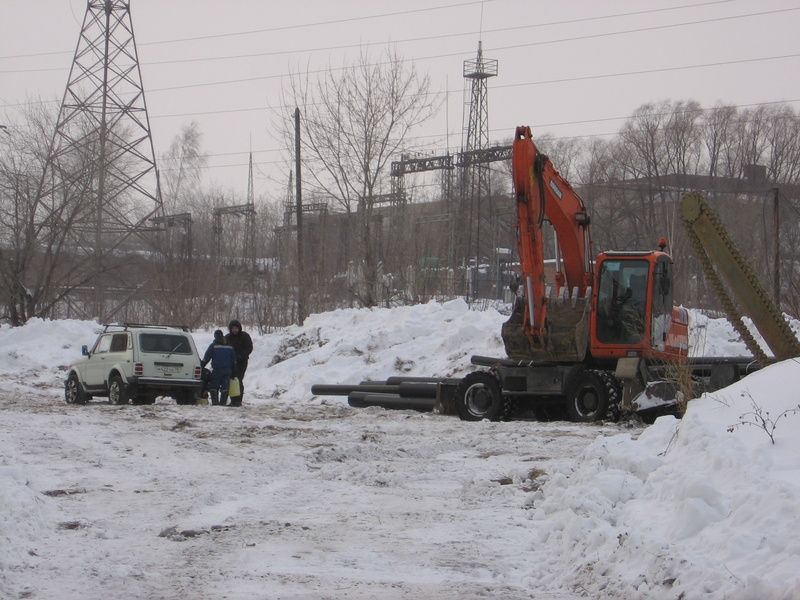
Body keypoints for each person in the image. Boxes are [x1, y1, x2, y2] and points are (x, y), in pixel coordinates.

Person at [201, 330, 236, 406]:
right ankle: (223, 402)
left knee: (214, 386)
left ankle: (215, 402)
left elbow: (207, 357)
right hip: (228, 369)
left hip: (217, 369)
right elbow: (234, 359)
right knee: (225, 386)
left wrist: (201, 365)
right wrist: (234, 370)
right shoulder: (230, 346)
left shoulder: (213, 346)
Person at [225, 319, 253, 407]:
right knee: (232, 380)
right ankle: (233, 400)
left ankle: (238, 400)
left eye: (236, 328)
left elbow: (249, 348)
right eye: (232, 328)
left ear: (239, 328)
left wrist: (242, 356)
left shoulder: (244, 336)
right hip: (231, 362)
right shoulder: (228, 337)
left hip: (242, 361)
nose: (234, 330)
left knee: (239, 379)